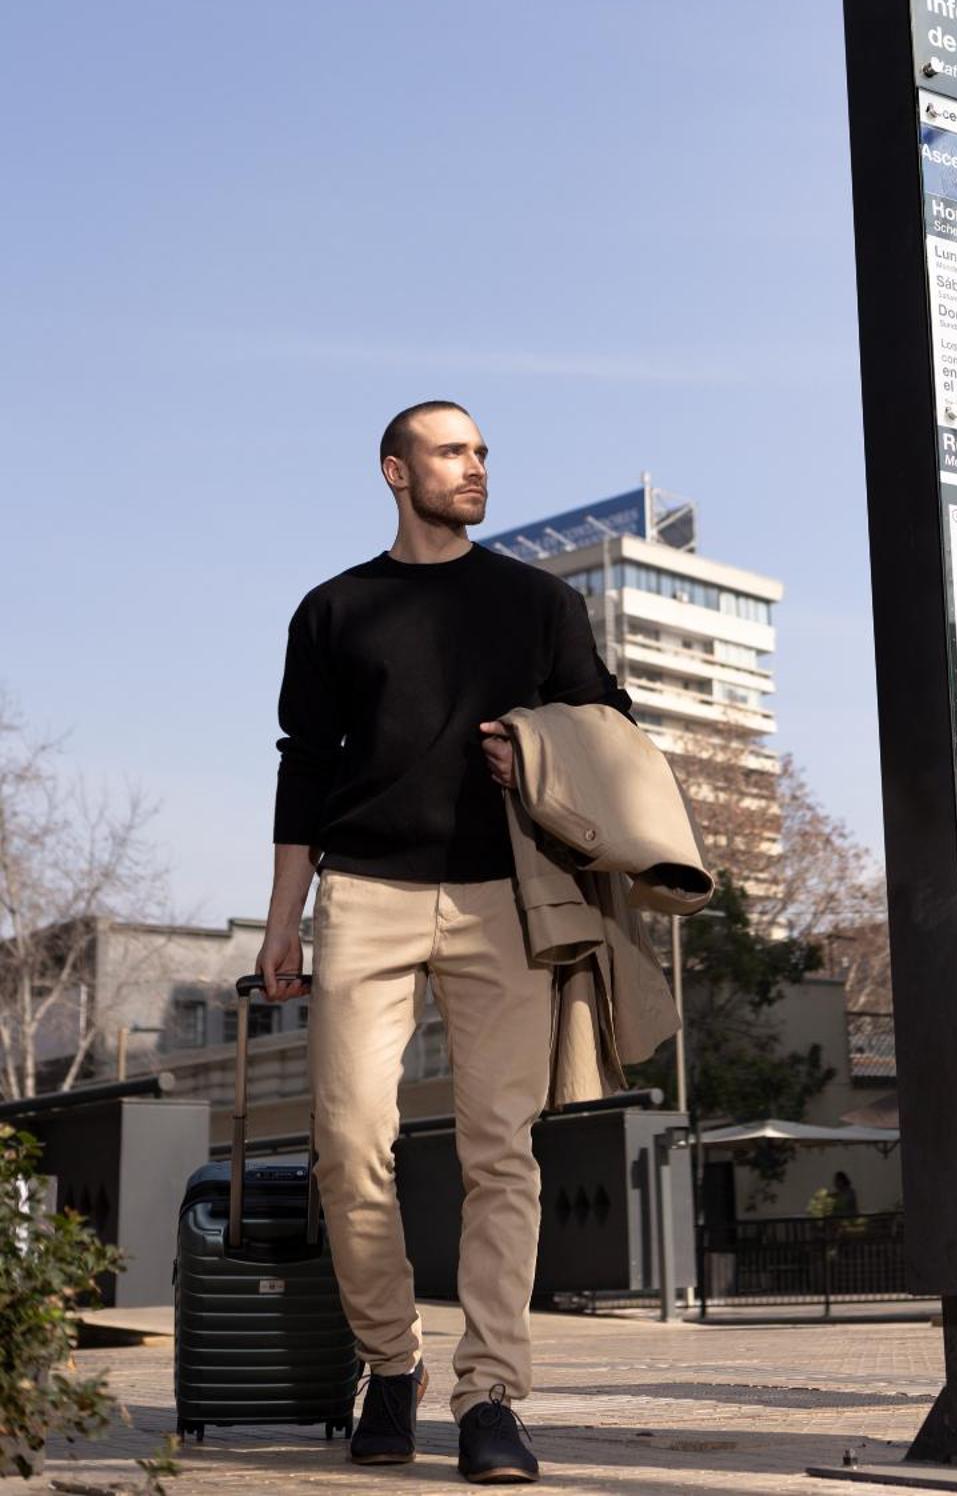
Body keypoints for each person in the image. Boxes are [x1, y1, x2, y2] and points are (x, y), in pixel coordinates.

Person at [255, 400, 632, 1481]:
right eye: (451, 450)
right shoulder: (334, 608)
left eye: (481, 452)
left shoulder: (540, 602)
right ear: (394, 469)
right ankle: (391, 1361)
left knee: (497, 1149)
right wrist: (285, 917)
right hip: (363, 892)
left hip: (501, 896)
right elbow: (303, 767)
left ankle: (490, 1395)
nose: (474, 467)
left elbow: (610, 723)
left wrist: (543, 758)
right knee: (348, 1139)